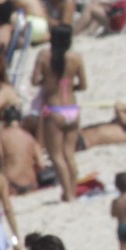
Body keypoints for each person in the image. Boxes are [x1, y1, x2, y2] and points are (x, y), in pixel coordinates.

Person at [30, 24, 86, 203]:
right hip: (72, 109)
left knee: (56, 156)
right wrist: (69, 86)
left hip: (54, 109)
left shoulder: (44, 56)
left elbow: (34, 80)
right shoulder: (76, 58)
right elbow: (83, 85)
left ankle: (68, 194)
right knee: (69, 154)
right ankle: (73, 191)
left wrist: (48, 84)